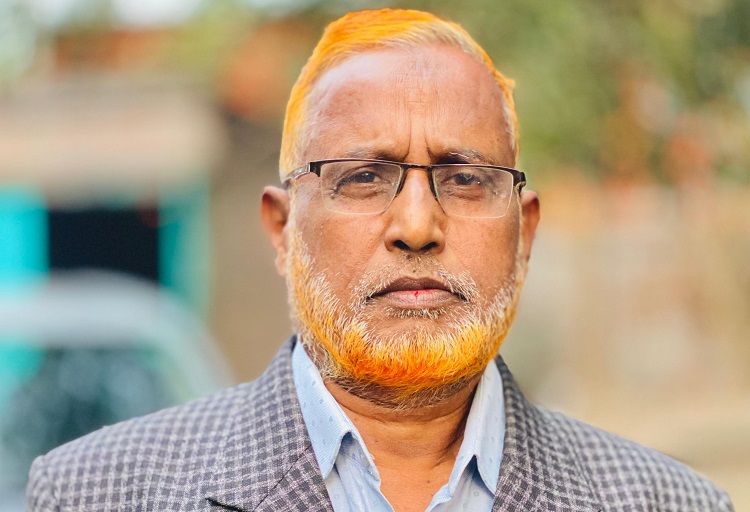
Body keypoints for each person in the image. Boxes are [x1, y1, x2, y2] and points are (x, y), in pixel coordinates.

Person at [27, 8, 733, 512]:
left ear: (525, 234)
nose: (417, 226)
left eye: (466, 178)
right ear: (281, 230)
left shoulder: (669, 502)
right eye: (364, 177)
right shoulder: (96, 493)